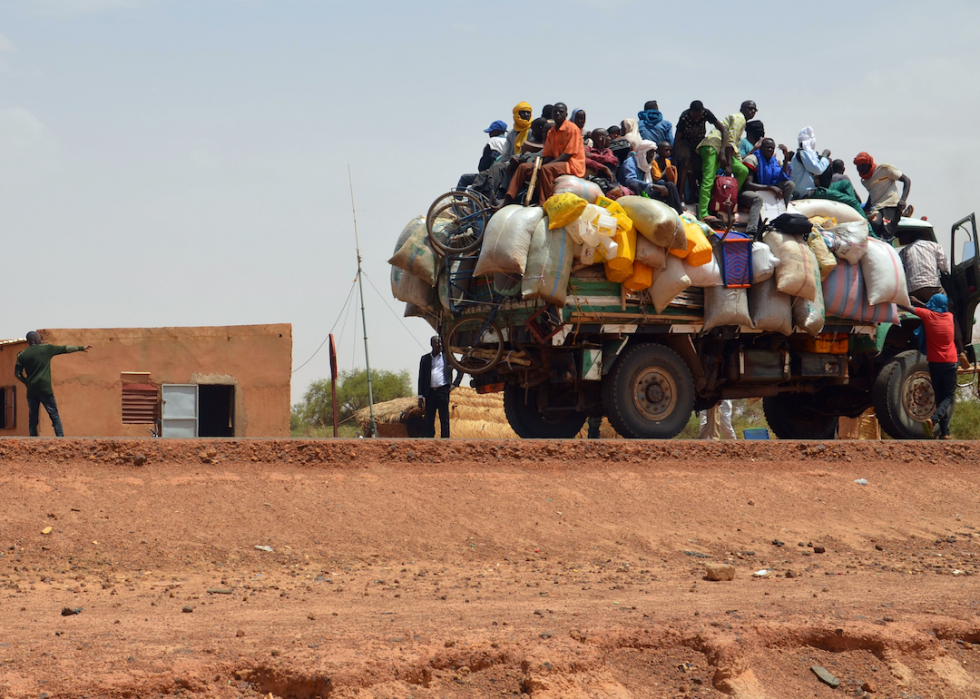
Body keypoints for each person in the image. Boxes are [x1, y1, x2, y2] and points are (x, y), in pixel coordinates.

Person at [899, 236, 969, 367]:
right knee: (949, 313)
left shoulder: (904, 251)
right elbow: (944, 268)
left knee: (925, 314)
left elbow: (900, 270)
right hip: (933, 286)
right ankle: (961, 350)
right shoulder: (934, 246)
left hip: (913, 290)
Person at [898, 295, 957, 439]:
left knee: (940, 396)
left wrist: (896, 298)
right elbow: (932, 309)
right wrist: (921, 302)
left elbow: (910, 308)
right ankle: (940, 426)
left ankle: (943, 430)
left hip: (935, 363)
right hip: (950, 362)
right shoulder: (949, 317)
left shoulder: (928, 316)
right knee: (948, 396)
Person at [504, 102, 585, 206]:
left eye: (561, 112)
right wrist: (537, 165)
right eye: (555, 112)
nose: (558, 114)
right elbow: (548, 155)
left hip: (572, 164)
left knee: (546, 169)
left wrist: (544, 166)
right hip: (557, 163)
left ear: (566, 115)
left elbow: (567, 155)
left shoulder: (572, 129)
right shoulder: (551, 131)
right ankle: (507, 199)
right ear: (552, 114)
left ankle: (543, 203)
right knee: (524, 167)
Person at [14, 331, 92, 437]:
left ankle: (33, 439)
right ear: (36, 340)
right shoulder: (46, 349)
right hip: (45, 388)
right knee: (54, 414)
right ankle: (60, 438)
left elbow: (17, 374)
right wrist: (81, 348)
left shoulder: (22, 355)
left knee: (33, 417)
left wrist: (27, 382)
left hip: (32, 390)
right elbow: (65, 349)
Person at [696, 100, 756, 221]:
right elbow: (730, 141)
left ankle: (724, 197)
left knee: (743, 170)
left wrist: (738, 161)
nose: (752, 111)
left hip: (721, 151)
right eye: (750, 108)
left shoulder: (742, 122)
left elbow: (736, 148)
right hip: (712, 147)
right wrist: (728, 163)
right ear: (742, 109)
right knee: (708, 180)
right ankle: (703, 213)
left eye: (755, 109)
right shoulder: (739, 118)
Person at [674, 100, 727, 205]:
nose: (697, 119)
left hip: (699, 142)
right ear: (690, 112)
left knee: (699, 169)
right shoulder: (684, 118)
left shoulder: (706, 114)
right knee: (685, 163)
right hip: (685, 142)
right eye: (694, 116)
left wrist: (722, 151)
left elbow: (723, 130)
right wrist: (674, 160)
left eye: (699, 116)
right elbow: (677, 139)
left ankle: (696, 195)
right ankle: (680, 195)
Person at [739, 138, 795, 235]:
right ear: (761, 148)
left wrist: (786, 159)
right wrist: (769, 188)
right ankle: (751, 231)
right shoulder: (752, 159)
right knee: (758, 199)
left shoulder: (773, 162)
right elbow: (748, 184)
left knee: (790, 184)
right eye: (767, 147)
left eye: (772, 148)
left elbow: (783, 177)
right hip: (748, 192)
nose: (770, 150)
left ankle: (780, 217)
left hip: (766, 191)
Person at [854, 152, 911, 241]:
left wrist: (903, 200)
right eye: (858, 166)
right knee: (874, 225)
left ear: (869, 164)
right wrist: (866, 208)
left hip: (890, 205)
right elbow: (873, 192)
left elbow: (906, 180)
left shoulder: (885, 169)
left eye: (863, 165)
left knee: (886, 233)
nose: (860, 168)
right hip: (877, 207)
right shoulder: (864, 180)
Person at [617, 140, 683, 213]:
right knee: (634, 185)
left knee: (670, 185)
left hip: (646, 194)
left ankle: (678, 213)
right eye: (650, 152)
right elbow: (630, 180)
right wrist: (651, 186)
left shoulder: (647, 163)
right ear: (643, 153)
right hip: (632, 196)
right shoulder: (630, 162)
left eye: (653, 152)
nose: (652, 155)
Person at [418, 335, 460, 439]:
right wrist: (420, 396)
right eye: (437, 343)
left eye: (441, 342)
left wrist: (454, 384)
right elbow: (421, 377)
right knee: (429, 419)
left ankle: (445, 441)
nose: (440, 345)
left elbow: (461, 369)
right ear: (432, 344)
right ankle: (429, 441)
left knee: (444, 418)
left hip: (443, 391)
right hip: (430, 393)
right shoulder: (425, 359)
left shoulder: (447, 357)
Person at [456, 120, 509, 190]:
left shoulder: (493, 142)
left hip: (491, 175)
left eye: (491, 131)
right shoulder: (509, 142)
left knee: (464, 178)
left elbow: (484, 163)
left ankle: (457, 200)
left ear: (497, 131)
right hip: (505, 175)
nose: (489, 134)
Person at [789, 126, 831, 199]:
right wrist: (825, 157)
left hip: (806, 191)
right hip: (808, 192)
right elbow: (818, 169)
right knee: (849, 200)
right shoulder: (803, 154)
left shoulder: (804, 154)